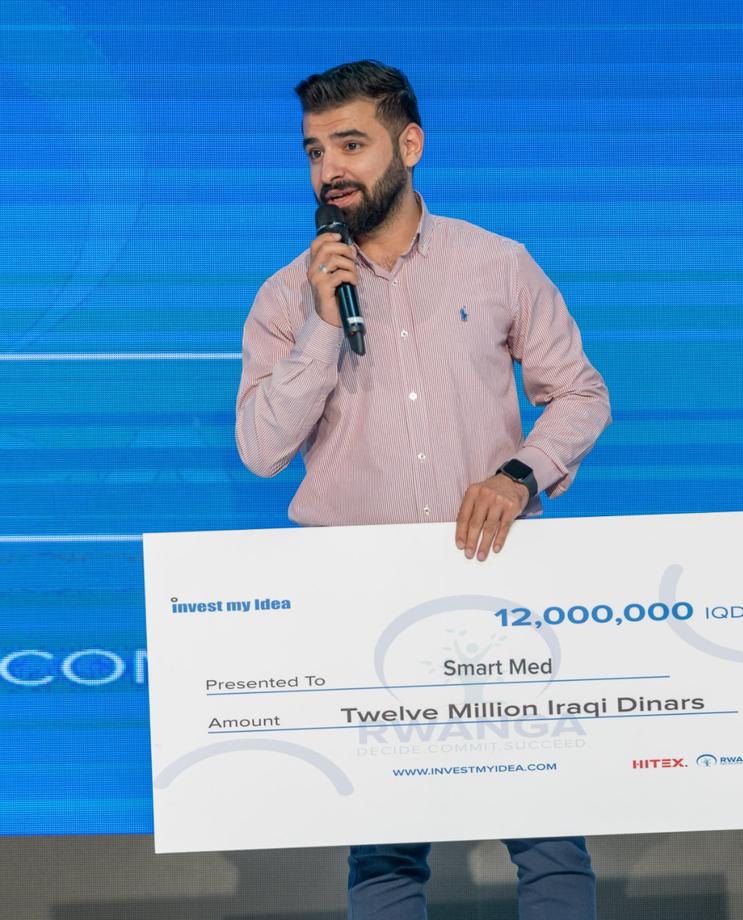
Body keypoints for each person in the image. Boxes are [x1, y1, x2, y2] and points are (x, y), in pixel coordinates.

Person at [234, 60, 610, 920]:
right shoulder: (287, 298)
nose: (330, 169)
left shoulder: (497, 263)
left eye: (352, 144)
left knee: (550, 838)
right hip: (363, 600)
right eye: (315, 150)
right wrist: (323, 328)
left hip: (496, 582)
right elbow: (259, 449)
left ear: (409, 145)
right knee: (386, 851)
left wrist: (519, 475)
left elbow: (581, 394)